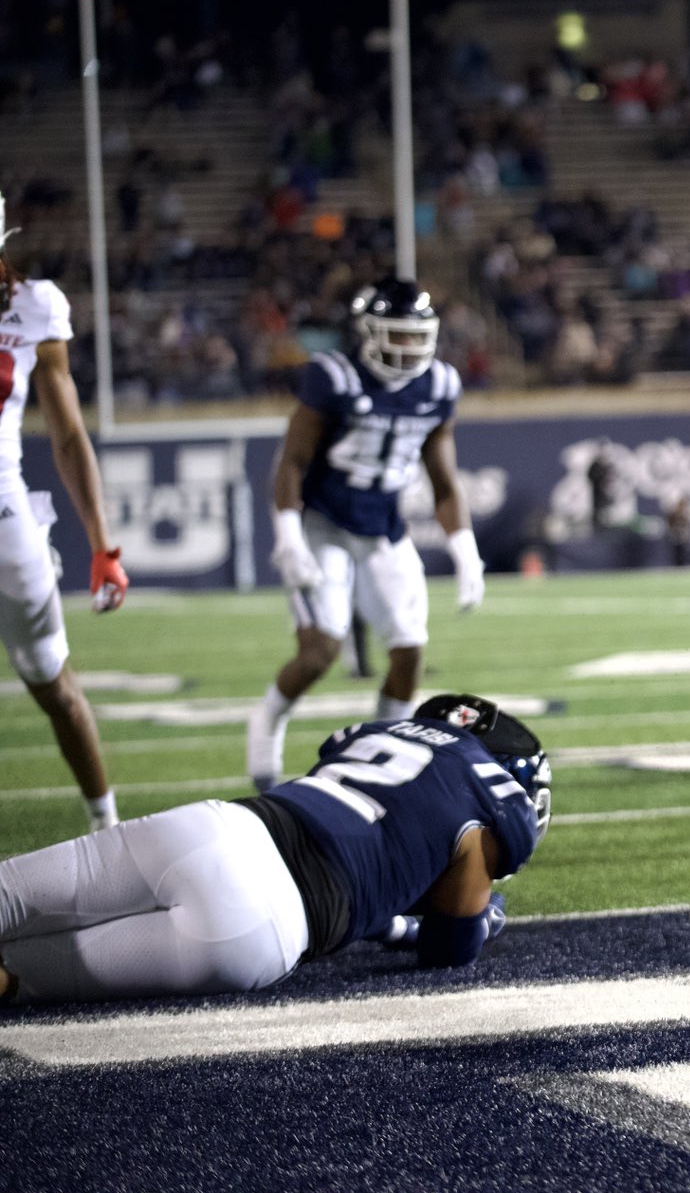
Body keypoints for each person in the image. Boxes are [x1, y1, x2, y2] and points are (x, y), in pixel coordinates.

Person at [0, 694, 549, 1004]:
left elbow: (367, 841)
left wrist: (398, 923)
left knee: (10, 895)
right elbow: (449, 946)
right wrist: (481, 920)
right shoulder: (489, 800)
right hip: (260, 929)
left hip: (215, 830)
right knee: (15, 974)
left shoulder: (376, 736)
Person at [246, 278, 487, 791]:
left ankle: (379, 754)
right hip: (322, 524)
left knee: (410, 650)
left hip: (383, 528)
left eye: (415, 336)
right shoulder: (333, 377)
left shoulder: (439, 386)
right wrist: (288, 534)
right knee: (319, 653)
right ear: (368, 333)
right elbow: (292, 461)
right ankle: (267, 721)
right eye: (395, 335)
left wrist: (465, 551)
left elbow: (444, 480)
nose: (407, 348)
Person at [0, 194, 129, 832]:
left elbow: (70, 434)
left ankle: (106, 829)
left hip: (4, 519)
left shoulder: (33, 305)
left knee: (52, 681)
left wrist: (103, 546)